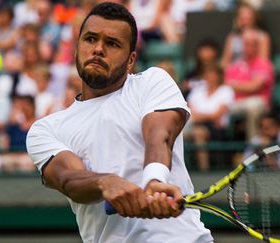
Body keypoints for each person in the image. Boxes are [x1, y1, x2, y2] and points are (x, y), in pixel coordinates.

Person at [26, 3, 213, 243]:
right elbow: (68, 179)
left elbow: (160, 135)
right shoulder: (46, 130)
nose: (98, 49)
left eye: (112, 43)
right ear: (76, 48)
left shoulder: (152, 81)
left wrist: (154, 180)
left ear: (130, 60)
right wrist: (106, 182)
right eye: (90, 39)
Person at [224, 28, 274, 140]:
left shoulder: (264, 64)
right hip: (236, 102)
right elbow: (225, 84)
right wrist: (245, 85)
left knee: (253, 106)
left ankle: (253, 144)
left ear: (257, 46)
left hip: (259, 101)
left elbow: (255, 86)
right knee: (220, 107)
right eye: (246, 44)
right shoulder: (235, 65)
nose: (248, 48)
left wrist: (235, 84)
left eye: (252, 44)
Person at [186, 64, 234, 171]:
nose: (210, 77)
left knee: (198, 133)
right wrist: (208, 116)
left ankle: (204, 170)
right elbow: (189, 111)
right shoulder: (197, 91)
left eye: (213, 75)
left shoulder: (226, 90)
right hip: (193, 125)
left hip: (216, 129)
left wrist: (199, 115)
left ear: (219, 76)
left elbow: (217, 115)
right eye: (207, 74)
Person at [221, 2, 270, 68]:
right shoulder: (232, 38)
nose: (245, 17)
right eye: (242, 15)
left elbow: (263, 62)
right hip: (233, 74)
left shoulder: (262, 37)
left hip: (254, 73)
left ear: (254, 17)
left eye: (248, 15)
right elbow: (225, 61)